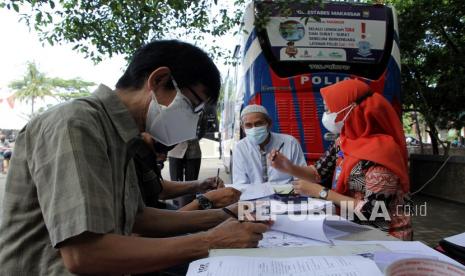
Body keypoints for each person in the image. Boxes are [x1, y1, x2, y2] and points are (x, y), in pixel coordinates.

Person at [0, 40, 268, 275]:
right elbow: (84, 254)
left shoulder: (121, 135)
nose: (194, 121)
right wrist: (211, 241)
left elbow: (138, 218)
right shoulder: (76, 124)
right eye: (193, 106)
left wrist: (225, 215)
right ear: (160, 80)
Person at [270, 79, 412, 240]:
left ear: (351, 109)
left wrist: (322, 192)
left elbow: (373, 211)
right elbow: (318, 173)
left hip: (385, 236)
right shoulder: (343, 141)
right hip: (350, 227)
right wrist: (288, 167)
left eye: (329, 109)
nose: (326, 114)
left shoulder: (383, 152)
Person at [233, 104, 306, 184]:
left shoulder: (290, 143)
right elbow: (240, 184)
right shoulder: (240, 148)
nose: (254, 128)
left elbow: (302, 179)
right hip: (254, 195)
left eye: (259, 124)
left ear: (269, 124)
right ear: (243, 128)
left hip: (288, 195)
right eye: (248, 125)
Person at [168, 139, 202, 207]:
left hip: (194, 151)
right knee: (175, 183)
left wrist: (198, 136)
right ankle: (176, 207)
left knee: (192, 183)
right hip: (175, 151)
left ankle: (191, 207)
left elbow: (204, 128)